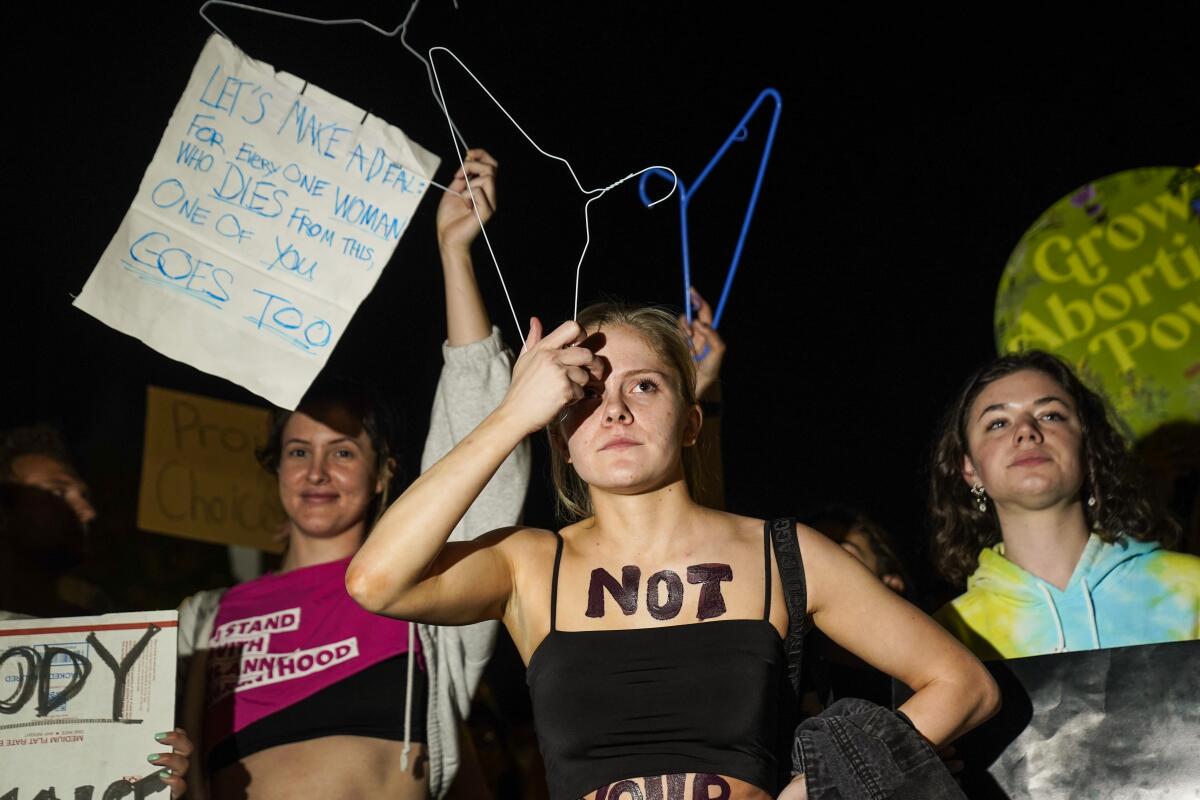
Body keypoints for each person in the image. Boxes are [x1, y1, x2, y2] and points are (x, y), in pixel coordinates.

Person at [347, 300, 999, 800]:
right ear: (561, 438)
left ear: (690, 421)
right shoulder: (529, 563)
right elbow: (377, 581)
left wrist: (822, 788)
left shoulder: (781, 553)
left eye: (645, 386)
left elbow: (963, 684)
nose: (615, 410)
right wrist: (512, 415)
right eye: (587, 392)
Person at [176, 149, 530, 799]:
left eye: (343, 452)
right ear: (275, 470)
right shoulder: (205, 617)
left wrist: (454, 253)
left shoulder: (426, 586)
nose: (317, 470)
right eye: (298, 451)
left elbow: (488, 452)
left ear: (382, 475)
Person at [929, 349, 1200, 660]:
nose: (1026, 431)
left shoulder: (1190, 590)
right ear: (970, 470)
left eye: (1050, 415)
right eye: (998, 423)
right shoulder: (949, 637)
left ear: (1088, 448)